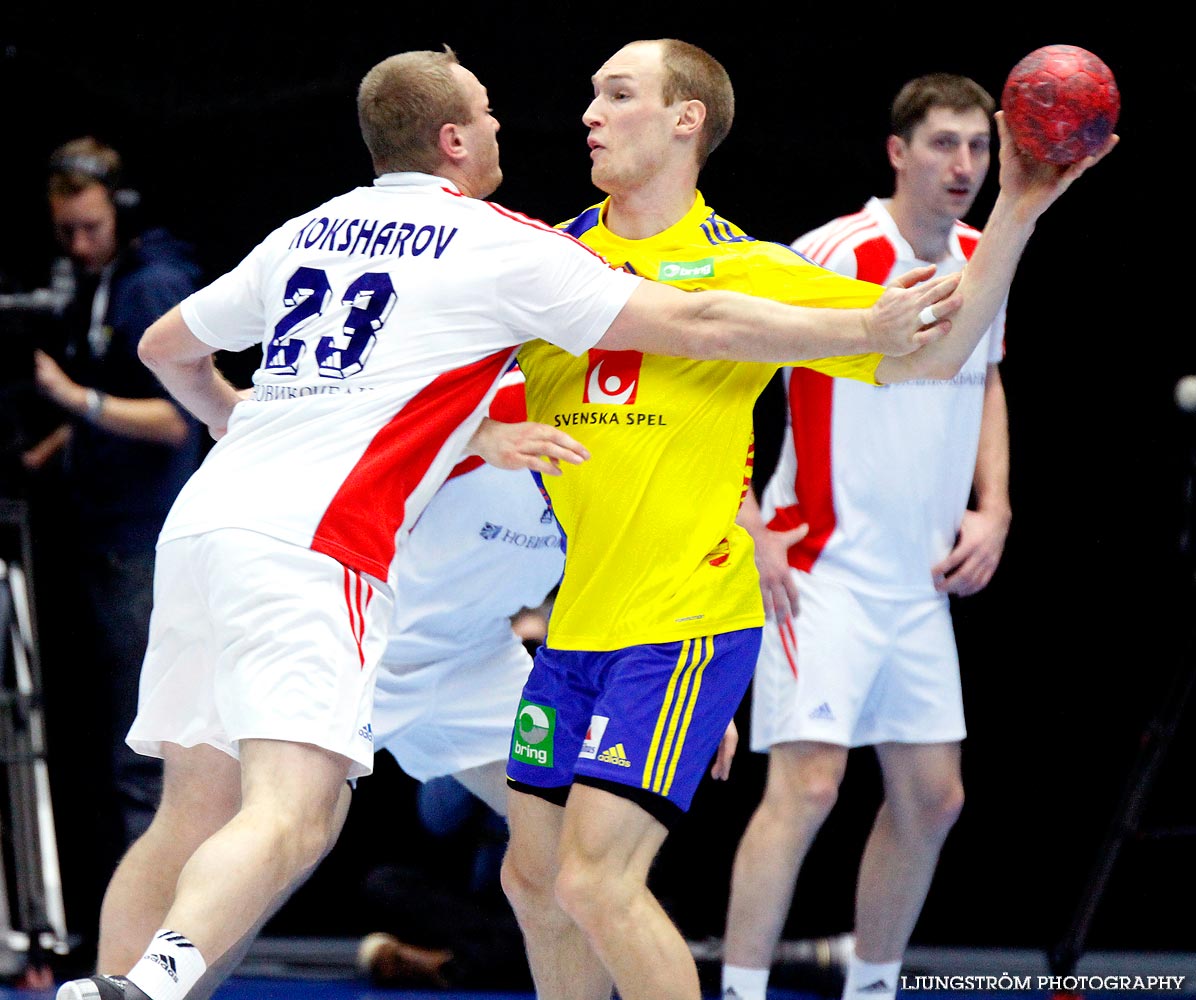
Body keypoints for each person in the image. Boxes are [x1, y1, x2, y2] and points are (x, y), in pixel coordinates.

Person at [54, 46, 961, 1000]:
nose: (523, 126)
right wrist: (865, 328)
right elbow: (697, 326)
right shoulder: (516, 251)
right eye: (487, 115)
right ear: (452, 139)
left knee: (529, 860)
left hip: (272, 554)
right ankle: (141, 988)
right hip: (337, 570)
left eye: (611, 96)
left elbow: (165, 347)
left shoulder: (312, 229)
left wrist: (244, 420)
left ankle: (123, 981)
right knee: (295, 820)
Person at [491, 40, 1114, 1000]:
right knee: (533, 882)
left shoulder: (754, 269)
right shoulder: (549, 258)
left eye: (618, 94)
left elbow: (938, 355)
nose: (590, 113)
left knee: (595, 881)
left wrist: (1019, 209)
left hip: (686, 620)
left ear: (686, 119)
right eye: (591, 95)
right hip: (580, 621)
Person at [720, 73, 1019, 1000]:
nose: (965, 164)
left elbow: (989, 377)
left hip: (919, 581)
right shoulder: (833, 252)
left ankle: (874, 987)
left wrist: (994, 504)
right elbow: (723, 377)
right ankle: (738, 991)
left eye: (978, 146)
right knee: (806, 790)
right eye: (944, 144)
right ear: (898, 152)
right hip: (821, 572)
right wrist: (747, 520)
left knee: (934, 800)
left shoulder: (983, 253)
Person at [21, 137, 201, 930]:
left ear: (121, 214)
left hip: (149, 542)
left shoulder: (154, 284)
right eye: (66, 232)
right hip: (110, 537)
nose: (79, 245)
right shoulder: (102, 284)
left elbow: (172, 417)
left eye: (90, 228)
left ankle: (153, 933)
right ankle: (138, 926)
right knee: (124, 742)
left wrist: (73, 401)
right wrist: (57, 442)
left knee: (146, 752)